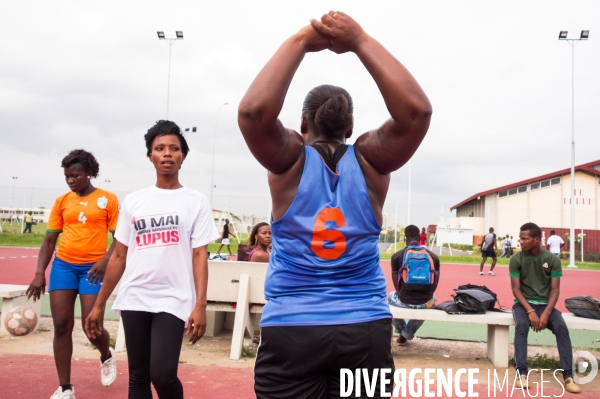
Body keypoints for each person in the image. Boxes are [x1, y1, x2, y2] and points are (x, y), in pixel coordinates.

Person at [238, 11, 431, 398]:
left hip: (292, 328)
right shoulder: (371, 162)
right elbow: (417, 113)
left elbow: (252, 113)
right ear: (350, 126)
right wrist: (359, 40)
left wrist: (300, 42)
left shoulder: (288, 163)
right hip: (364, 327)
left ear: (303, 124)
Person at [84, 120, 219, 399]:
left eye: (174, 148)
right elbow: (120, 256)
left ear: (183, 156)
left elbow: (199, 256)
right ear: (150, 156)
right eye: (160, 148)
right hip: (136, 295)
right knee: (139, 378)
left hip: (174, 296)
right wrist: (98, 305)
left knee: (163, 374)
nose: (167, 153)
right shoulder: (135, 201)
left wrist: (200, 304)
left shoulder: (196, 201)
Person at [25, 149, 119, 399]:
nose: (70, 180)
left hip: (93, 271)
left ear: (89, 173)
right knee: (61, 325)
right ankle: (65, 388)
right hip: (63, 266)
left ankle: (106, 355)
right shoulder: (62, 201)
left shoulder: (107, 199)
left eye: (75, 175)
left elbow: (120, 237)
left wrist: (105, 260)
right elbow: (48, 240)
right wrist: (39, 273)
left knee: (92, 327)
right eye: (67, 176)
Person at [509, 222, 580, 393]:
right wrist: (531, 311)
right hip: (523, 305)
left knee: (561, 327)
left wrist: (547, 312)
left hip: (546, 305)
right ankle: (522, 374)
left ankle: (568, 376)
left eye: (525, 239)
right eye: (520, 239)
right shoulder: (516, 259)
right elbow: (516, 290)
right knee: (522, 325)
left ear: (536, 239)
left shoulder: (552, 260)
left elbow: (555, 290)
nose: (521, 242)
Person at [389, 225, 440, 346]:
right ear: (419, 238)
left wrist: (403, 294)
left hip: (404, 300)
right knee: (432, 300)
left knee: (390, 296)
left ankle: (402, 332)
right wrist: (426, 295)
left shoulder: (396, 256)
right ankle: (406, 334)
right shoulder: (433, 257)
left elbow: (397, 287)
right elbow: (435, 283)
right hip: (424, 301)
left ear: (404, 238)